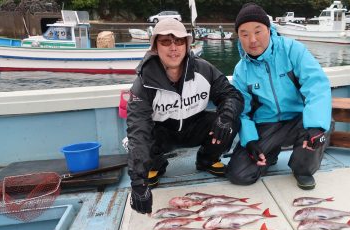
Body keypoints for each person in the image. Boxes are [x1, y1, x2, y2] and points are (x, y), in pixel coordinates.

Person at [126, 18, 243, 214]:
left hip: (194, 124)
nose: (173, 48)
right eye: (165, 42)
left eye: (179, 41)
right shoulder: (143, 83)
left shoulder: (204, 69)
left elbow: (231, 95)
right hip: (162, 132)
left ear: (187, 45)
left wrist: (226, 116)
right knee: (144, 138)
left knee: (228, 122)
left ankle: (207, 159)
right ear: (155, 47)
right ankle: (156, 166)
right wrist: (138, 183)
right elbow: (138, 131)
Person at [226, 3, 333, 190]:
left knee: (319, 129)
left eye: (258, 31)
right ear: (239, 37)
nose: (252, 40)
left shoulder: (293, 50)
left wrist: (315, 125)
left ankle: (302, 169)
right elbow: (242, 111)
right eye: (244, 34)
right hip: (266, 125)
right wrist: (249, 140)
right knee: (240, 174)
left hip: (298, 120)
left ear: (269, 29)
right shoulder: (241, 71)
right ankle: (270, 154)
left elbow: (317, 85)